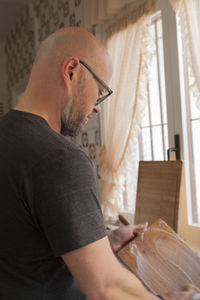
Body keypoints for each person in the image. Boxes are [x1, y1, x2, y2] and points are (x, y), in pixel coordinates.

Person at [0, 27, 197, 300]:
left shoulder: (7, 135)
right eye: (101, 91)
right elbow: (107, 288)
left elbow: (26, 250)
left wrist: (103, 243)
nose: (97, 107)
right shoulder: (59, 158)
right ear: (71, 71)